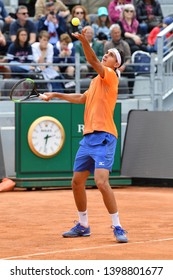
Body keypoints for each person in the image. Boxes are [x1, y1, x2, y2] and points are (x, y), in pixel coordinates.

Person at [40, 28, 128, 243]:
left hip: (105, 136)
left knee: (101, 181)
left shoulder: (111, 76)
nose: (105, 55)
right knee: (77, 182)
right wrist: (56, 94)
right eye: (106, 53)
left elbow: (92, 60)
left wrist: (83, 43)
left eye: (109, 55)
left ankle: (117, 226)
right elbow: (82, 98)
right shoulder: (96, 81)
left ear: (115, 64)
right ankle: (83, 225)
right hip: (88, 137)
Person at [104, 23, 135, 95]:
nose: (117, 34)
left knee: (131, 71)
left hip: (123, 66)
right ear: (111, 34)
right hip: (111, 67)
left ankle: (130, 92)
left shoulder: (125, 44)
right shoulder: (107, 45)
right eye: (115, 33)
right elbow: (105, 58)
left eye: (118, 32)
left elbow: (128, 58)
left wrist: (123, 66)